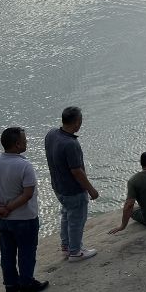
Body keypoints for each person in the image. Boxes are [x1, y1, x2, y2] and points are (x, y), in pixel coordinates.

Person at [0, 126, 47, 292]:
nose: (27, 143)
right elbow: (27, 193)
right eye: (24, 141)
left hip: (3, 220)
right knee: (26, 252)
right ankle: (26, 284)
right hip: (25, 218)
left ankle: (10, 285)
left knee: (7, 253)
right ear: (17, 145)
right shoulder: (24, 166)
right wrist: (9, 208)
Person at [44, 106, 99, 262]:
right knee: (76, 219)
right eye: (80, 121)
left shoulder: (51, 134)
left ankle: (66, 246)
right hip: (73, 190)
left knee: (66, 216)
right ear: (76, 122)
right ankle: (75, 252)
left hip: (58, 186)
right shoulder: (70, 144)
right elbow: (76, 171)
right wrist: (91, 189)